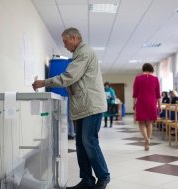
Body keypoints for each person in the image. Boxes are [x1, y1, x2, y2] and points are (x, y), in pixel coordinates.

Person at [32, 27, 110, 189]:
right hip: (82, 105)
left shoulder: (84, 53)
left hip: (91, 105)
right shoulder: (77, 55)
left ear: (74, 38)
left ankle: (103, 177)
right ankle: (87, 180)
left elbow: (69, 77)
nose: (65, 45)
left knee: (89, 141)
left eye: (66, 41)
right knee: (80, 144)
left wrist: (44, 82)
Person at [133, 63, 161, 151]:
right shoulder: (155, 79)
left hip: (141, 101)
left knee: (141, 123)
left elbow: (135, 93)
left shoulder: (138, 78)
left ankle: (146, 139)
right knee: (149, 123)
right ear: (152, 69)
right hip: (152, 102)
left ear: (143, 69)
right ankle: (147, 143)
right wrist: (159, 105)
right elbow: (158, 94)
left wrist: (134, 104)